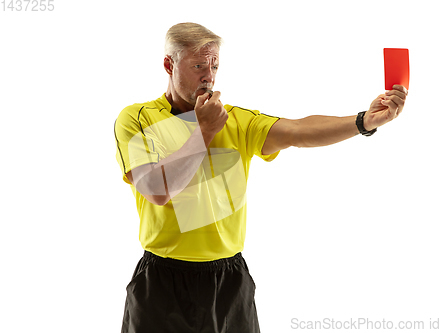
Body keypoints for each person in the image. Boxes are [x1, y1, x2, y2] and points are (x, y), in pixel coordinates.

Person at [114, 22, 408, 333]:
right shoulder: (137, 118)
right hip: (163, 280)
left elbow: (297, 131)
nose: (208, 75)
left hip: (229, 279)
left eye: (214, 64)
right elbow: (156, 189)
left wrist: (364, 120)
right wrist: (203, 131)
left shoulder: (236, 120)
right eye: (198, 65)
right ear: (168, 65)